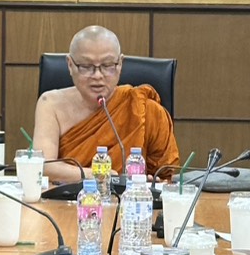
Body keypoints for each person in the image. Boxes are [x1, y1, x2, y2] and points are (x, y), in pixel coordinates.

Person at [32, 25, 180, 183]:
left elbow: (165, 176)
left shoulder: (144, 109)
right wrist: (102, 175)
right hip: (65, 197)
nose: (97, 75)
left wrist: (150, 182)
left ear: (120, 64)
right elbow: (43, 166)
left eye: (108, 66)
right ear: (70, 65)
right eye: (86, 66)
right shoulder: (51, 104)